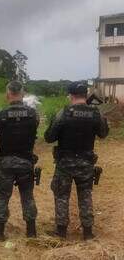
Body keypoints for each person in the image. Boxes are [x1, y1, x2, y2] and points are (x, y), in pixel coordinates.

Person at [44, 81, 109, 240]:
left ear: (71, 95)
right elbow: (103, 134)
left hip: (65, 163)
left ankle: (61, 231)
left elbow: (49, 137)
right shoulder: (95, 113)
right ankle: (87, 232)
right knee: (85, 195)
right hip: (86, 163)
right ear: (85, 95)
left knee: (61, 195)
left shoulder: (63, 113)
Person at [0, 81, 39, 241]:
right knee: (27, 196)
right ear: (23, 94)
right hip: (25, 161)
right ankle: (31, 231)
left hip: (5, 161)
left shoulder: (0, 113)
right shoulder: (33, 113)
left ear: (8, 94)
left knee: (2, 197)